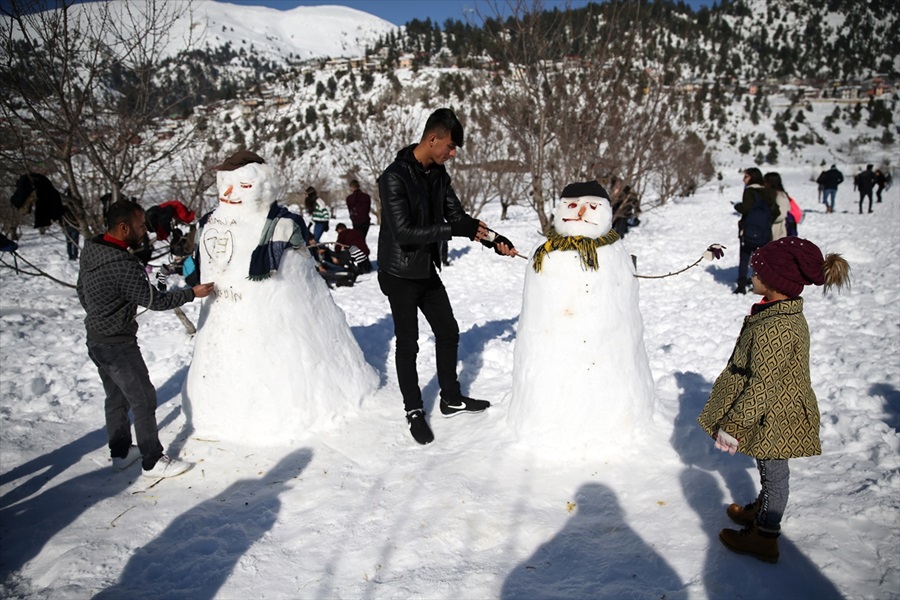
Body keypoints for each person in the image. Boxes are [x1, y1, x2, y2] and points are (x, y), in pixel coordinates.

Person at [697, 237, 851, 563]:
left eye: (757, 271)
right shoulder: (778, 313)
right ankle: (762, 509)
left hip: (776, 413)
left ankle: (766, 536)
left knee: (775, 473)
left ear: (776, 282)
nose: (751, 274)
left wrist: (734, 425)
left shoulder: (777, 327)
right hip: (773, 409)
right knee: (769, 470)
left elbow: (763, 384)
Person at [377, 107, 518, 445]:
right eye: (451, 147)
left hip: (425, 269)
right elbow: (405, 231)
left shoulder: (438, 175)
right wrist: (452, 230)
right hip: (399, 271)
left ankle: (451, 398)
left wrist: (492, 239)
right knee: (408, 342)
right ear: (433, 138)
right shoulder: (393, 177)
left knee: (448, 331)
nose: (453, 154)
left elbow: (458, 217)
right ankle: (414, 410)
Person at [77, 200, 215, 478]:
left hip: (96, 338)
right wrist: (192, 293)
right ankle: (152, 460)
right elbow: (154, 299)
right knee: (143, 399)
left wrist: (101, 313)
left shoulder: (93, 250)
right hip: (117, 344)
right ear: (123, 227)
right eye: (141, 226)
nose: (146, 231)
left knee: (116, 397)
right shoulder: (121, 263)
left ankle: (121, 453)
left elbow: (82, 289)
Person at [733, 167, 779, 294]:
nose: (744, 179)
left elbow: (746, 208)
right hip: (765, 232)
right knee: (761, 259)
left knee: (745, 257)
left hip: (749, 231)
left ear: (752, 177)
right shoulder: (769, 191)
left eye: (746, 176)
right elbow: (776, 211)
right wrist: (766, 222)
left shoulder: (749, 191)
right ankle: (758, 283)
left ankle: (741, 285)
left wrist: (737, 206)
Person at [763, 172, 791, 241]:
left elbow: (782, 214)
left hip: (777, 232)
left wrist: (767, 219)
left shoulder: (781, 196)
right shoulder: (769, 195)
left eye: (765, 181)